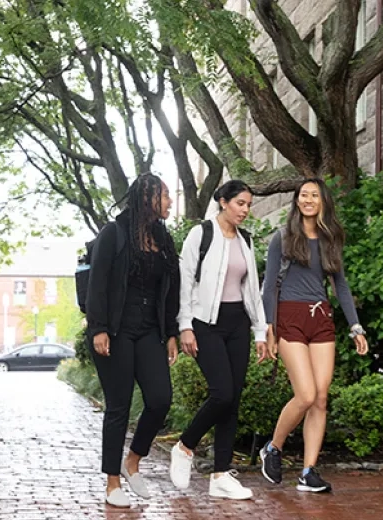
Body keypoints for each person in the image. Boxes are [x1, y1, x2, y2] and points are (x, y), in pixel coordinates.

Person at [259, 178, 368, 493]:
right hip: (290, 317)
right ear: (297, 201)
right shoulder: (283, 237)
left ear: (323, 201)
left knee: (320, 398)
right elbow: (269, 286)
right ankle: (273, 448)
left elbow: (341, 285)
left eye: (314, 195)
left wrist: (355, 326)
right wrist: (269, 327)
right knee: (305, 394)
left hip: (321, 319)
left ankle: (308, 472)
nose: (308, 199)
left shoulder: (331, 238)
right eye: (303, 195)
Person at [169, 180, 269, 500]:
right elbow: (184, 282)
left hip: (237, 323)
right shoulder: (202, 234)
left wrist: (259, 330)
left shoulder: (246, 240)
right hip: (205, 324)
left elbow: (251, 290)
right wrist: (185, 325)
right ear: (224, 202)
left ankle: (220, 475)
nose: (245, 210)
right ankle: (185, 446)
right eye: (241, 203)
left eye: (249, 204)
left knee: (233, 398)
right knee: (222, 393)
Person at [86, 173, 180, 508]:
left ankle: (133, 460)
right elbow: (97, 282)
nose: (170, 201)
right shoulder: (114, 233)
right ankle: (112, 482)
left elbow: (171, 291)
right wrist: (98, 327)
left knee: (160, 399)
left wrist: (170, 332)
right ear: (147, 198)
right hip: (115, 330)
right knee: (119, 406)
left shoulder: (163, 239)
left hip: (149, 331)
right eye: (165, 196)